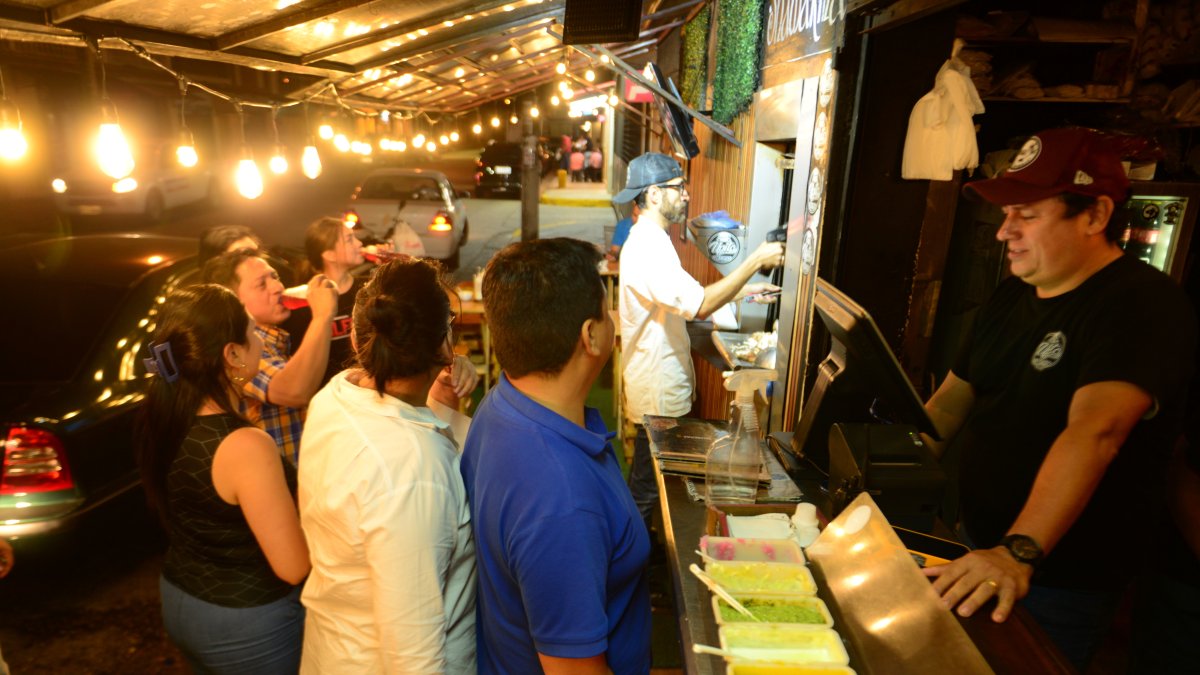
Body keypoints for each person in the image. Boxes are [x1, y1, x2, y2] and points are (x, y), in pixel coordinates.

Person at [919, 127, 1197, 671]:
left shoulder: (1140, 305)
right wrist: (881, 469)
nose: (1005, 233)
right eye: (1006, 214)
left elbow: (1095, 432)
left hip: (1055, 575)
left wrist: (1017, 552)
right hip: (977, 547)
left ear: (1094, 216)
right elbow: (951, 403)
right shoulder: (1012, 294)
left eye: (1027, 214)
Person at [461, 238, 650, 674]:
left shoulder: (501, 404)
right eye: (607, 312)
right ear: (589, 335)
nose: (614, 322)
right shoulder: (562, 501)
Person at [298, 258, 476, 673]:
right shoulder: (414, 468)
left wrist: (442, 396)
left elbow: (402, 420)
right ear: (443, 344)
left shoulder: (336, 395)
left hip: (337, 650)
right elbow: (413, 655)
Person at [134, 284, 310, 673]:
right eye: (251, 332)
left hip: (182, 597)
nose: (258, 340)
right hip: (245, 621)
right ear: (232, 354)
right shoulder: (245, 446)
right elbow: (293, 566)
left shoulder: (162, 415)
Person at [614, 152, 784, 532]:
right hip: (657, 391)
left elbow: (690, 295)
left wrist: (746, 290)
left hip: (655, 386)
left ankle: (641, 562)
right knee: (646, 489)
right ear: (654, 195)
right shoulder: (648, 247)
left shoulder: (652, 239)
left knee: (649, 484)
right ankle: (636, 574)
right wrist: (755, 260)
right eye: (678, 188)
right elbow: (700, 303)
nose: (686, 195)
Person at [283, 217, 479, 399]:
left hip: (379, 396)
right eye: (349, 239)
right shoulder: (302, 301)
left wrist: (397, 266)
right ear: (328, 254)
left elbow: (415, 339)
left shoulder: (371, 293)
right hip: (334, 397)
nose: (359, 244)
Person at [204, 248, 339, 461]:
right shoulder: (238, 346)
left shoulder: (275, 336)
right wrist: (322, 316)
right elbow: (294, 391)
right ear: (234, 301)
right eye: (261, 284)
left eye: (274, 276)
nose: (278, 287)